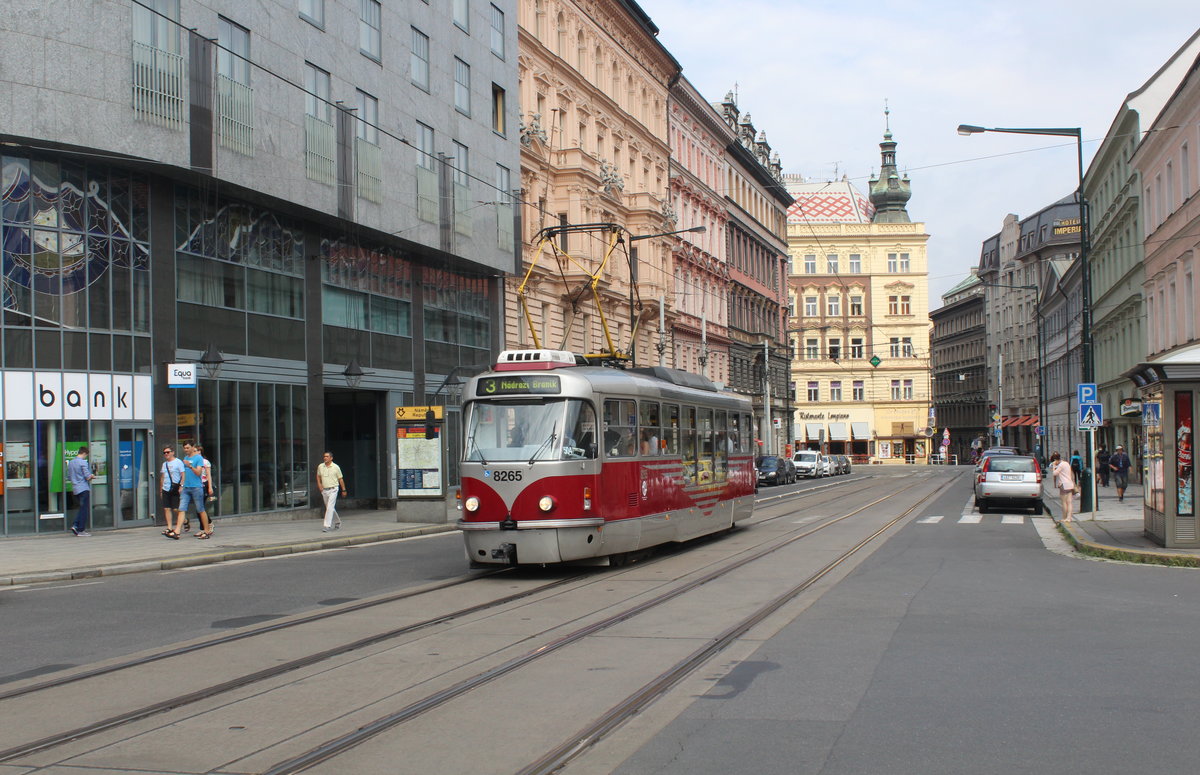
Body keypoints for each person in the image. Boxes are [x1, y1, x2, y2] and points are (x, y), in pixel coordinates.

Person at [175, 442, 213, 539]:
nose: (186, 450)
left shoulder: (198, 458)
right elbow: (184, 474)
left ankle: (206, 531)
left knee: (200, 509)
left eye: (188, 448)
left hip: (196, 487)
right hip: (186, 488)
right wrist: (181, 485)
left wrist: (190, 466)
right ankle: (177, 531)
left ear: (192, 447)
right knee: (181, 509)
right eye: (184, 448)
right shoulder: (186, 458)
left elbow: (198, 473)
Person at [67, 446, 95, 537]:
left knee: (81, 508)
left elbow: (69, 476)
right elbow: (87, 476)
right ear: (84, 453)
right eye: (86, 455)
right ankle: (80, 529)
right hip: (83, 488)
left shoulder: (71, 462)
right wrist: (92, 476)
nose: (86, 457)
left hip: (75, 488)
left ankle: (76, 525)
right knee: (84, 509)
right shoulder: (83, 462)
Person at [316, 451, 346, 532]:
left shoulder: (336, 467)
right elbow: (318, 476)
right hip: (324, 490)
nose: (325, 458)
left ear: (331, 458)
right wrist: (319, 484)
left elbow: (340, 479)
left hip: (333, 489)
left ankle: (327, 525)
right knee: (330, 507)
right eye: (324, 456)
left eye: (327, 456)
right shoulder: (320, 466)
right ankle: (337, 522)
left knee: (329, 507)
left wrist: (344, 490)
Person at [160, 445, 186, 537]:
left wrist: (181, 486)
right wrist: (161, 490)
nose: (166, 454)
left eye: (168, 452)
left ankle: (185, 520)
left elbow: (183, 474)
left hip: (175, 488)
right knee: (167, 508)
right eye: (164, 453)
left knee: (176, 509)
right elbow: (162, 477)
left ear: (172, 452)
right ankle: (170, 527)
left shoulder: (178, 462)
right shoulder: (164, 464)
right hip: (166, 488)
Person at [1050, 452, 1075, 523]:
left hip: (1063, 485)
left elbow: (1054, 473)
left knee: (1064, 502)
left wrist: (1054, 466)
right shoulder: (1066, 463)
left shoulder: (1060, 465)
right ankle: (1069, 517)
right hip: (1069, 484)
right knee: (1069, 502)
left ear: (1055, 460)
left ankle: (1064, 517)